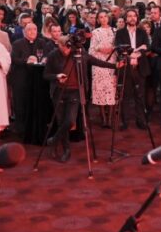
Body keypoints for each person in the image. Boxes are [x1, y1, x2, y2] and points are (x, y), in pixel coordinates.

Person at [43, 34, 115, 163]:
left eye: (69, 47)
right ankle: (66, 150)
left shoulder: (79, 53)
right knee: (61, 121)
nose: (67, 49)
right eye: (64, 47)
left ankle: (54, 140)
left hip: (75, 92)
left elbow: (95, 61)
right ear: (59, 45)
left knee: (70, 121)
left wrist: (114, 66)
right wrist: (56, 76)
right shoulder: (53, 55)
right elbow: (46, 74)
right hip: (59, 92)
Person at [114, 7, 150, 130]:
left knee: (140, 96)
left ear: (137, 18)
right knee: (125, 96)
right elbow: (119, 49)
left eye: (134, 16)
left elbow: (147, 47)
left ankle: (141, 121)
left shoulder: (142, 32)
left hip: (141, 67)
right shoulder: (120, 33)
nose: (132, 18)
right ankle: (125, 122)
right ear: (125, 19)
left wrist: (137, 54)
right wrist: (134, 53)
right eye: (129, 16)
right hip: (125, 68)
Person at [89, 10, 117, 129]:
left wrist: (111, 49)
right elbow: (91, 51)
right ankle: (103, 119)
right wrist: (100, 49)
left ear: (108, 18)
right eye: (101, 17)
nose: (104, 18)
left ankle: (109, 119)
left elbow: (118, 47)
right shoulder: (95, 32)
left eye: (105, 16)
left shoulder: (115, 31)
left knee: (111, 90)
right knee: (100, 91)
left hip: (111, 63)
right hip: (99, 64)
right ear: (98, 19)